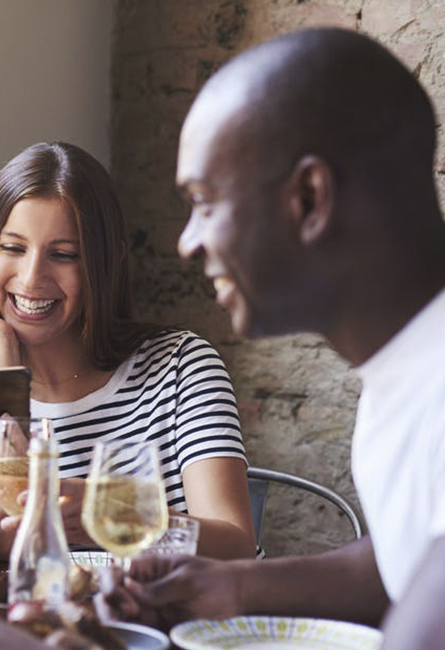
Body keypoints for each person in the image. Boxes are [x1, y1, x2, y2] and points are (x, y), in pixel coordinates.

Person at [96, 27, 445, 650]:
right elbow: (403, 563)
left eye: (205, 202)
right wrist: (231, 589)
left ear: (309, 199)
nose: (187, 242)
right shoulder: (410, 370)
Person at [0, 142, 256, 562]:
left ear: (105, 264)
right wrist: (3, 360)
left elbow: (236, 544)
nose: (30, 278)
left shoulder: (181, 366)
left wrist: (102, 510)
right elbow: (2, 545)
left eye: (64, 255)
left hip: (180, 622)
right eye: (12, 248)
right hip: (41, 626)